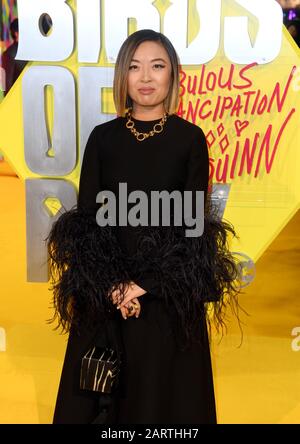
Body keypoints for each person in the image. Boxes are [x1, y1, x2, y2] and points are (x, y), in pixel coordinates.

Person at [47, 29, 240, 424]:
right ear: (122, 76)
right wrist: (115, 285)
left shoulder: (189, 140)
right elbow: (90, 222)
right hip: (108, 296)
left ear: (172, 76)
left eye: (157, 66)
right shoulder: (103, 139)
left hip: (166, 298)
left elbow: (191, 227)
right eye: (135, 67)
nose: (146, 77)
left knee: (163, 405)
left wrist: (144, 286)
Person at [1, 19, 27, 96]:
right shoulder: (9, 54)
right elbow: (7, 85)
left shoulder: (29, 50)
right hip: (18, 100)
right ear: (16, 33)